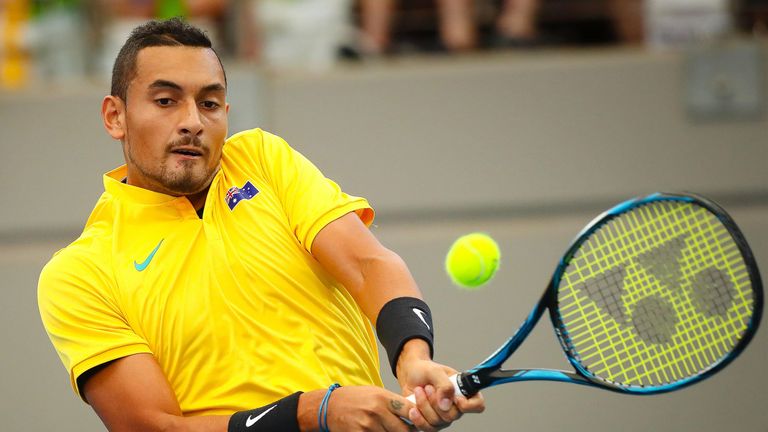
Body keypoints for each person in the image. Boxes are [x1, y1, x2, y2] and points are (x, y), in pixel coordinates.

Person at [37, 17, 484, 432]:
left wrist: (412, 357)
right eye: (165, 100)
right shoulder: (79, 274)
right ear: (116, 116)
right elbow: (154, 427)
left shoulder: (263, 160)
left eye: (209, 103)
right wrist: (314, 411)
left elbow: (368, 263)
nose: (192, 121)